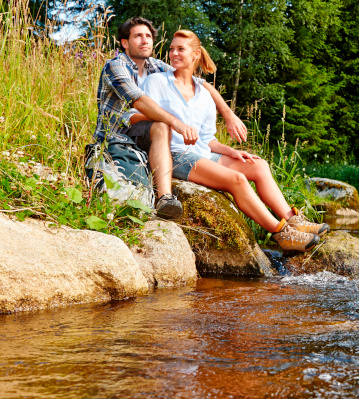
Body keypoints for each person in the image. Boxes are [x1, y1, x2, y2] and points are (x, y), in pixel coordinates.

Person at [129, 29, 329, 252]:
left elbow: (208, 140)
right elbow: (134, 117)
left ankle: (294, 220)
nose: (174, 53)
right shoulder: (156, 81)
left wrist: (231, 152)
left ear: (195, 55)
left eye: (180, 49)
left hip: (203, 154)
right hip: (175, 154)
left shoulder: (204, 94)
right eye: (172, 49)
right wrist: (173, 122)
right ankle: (281, 233)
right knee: (238, 179)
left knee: (259, 166)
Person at [87, 17, 247, 219]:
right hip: (118, 138)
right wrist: (178, 124)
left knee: (162, 127)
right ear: (125, 43)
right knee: (163, 125)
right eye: (137, 36)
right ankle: (165, 198)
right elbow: (139, 101)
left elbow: (202, 83)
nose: (145, 41)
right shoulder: (116, 66)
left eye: (148, 36)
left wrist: (228, 114)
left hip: (148, 137)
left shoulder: (155, 66)